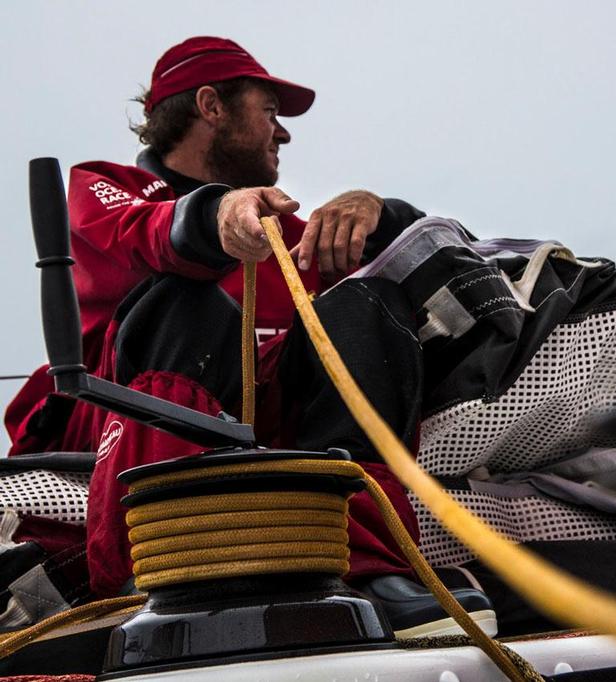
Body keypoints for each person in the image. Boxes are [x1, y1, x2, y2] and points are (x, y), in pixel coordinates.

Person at [4, 36, 491, 637]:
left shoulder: (290, 233)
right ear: (211, 106)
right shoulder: (107, 188)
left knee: (368, 308)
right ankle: (158, 572)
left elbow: (454, 261)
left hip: (263, 420)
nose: (282, 133)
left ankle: (370, 567)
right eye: (269, 112)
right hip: (119, 415)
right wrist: (217, 217)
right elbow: (145, 233)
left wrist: (380, 210)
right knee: (186, 298)